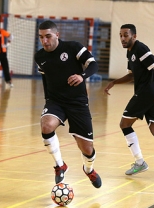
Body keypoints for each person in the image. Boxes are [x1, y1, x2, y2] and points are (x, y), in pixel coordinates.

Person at [103, 24, 154, 182]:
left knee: (124, 124)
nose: (123, 38)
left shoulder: (140, 48)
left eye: (126, 35)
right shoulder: (130, 52)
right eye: (121, 35)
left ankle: (140, 162)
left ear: (134, 36)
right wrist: (115, 82)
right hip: (150, 93)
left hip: (146, 93)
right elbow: (131, 76)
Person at [34, 20, 102, 188]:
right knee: (46, 125)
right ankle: (59, 165)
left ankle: (89, 169)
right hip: (55, 101)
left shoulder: (73, 47)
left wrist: (82, 76)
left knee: (86, 148)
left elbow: (93, 64)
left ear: (57, 35)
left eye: (48, 36)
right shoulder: (40, 56)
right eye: (41, 37)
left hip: (77, 103)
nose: (45, 41)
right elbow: (45, 78)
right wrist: (47, 100)